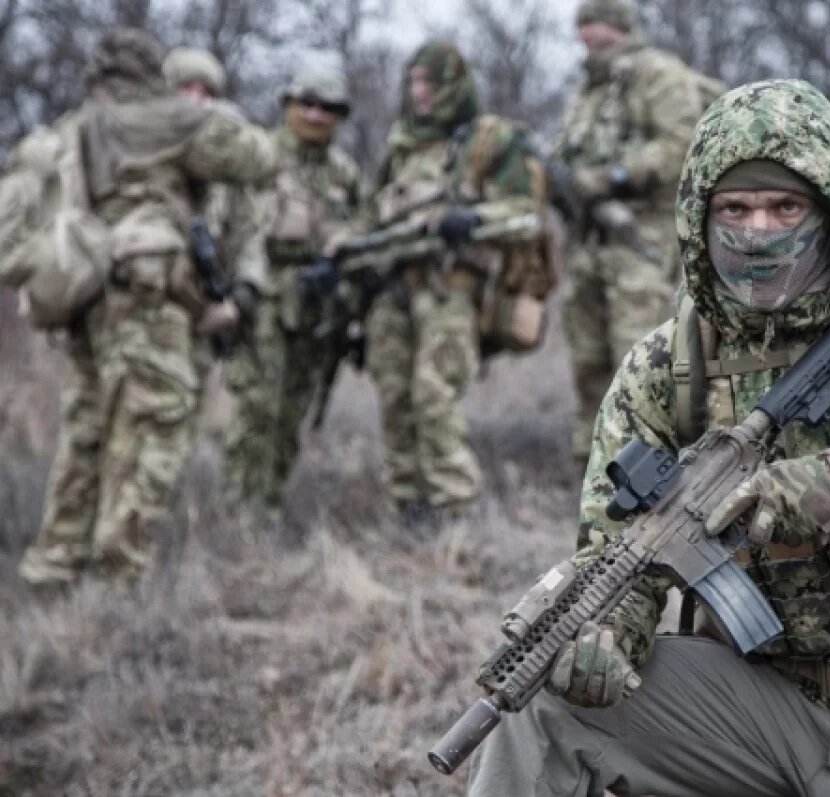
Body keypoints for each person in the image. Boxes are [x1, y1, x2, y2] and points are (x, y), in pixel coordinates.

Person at [467, 80, 830, 796]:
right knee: (545, 705)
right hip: (765, 717)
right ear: (699, 219)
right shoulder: (666, 368)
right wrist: (605, 636)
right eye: (735, 208)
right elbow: (619, 560)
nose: (759, 231)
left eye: (786, 206)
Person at [17, 28, 276, 586]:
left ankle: (55, 562)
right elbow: (258, 156)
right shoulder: (168, 119)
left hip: (89, 294)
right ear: (155, 76)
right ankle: (118, 571)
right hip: (146, 298)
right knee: (155, 423)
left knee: (87, 428)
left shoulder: (76, 125)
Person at [364, 41, 545, 514]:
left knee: (434, 394)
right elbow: (370, 215)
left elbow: (525, 213)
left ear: (452, 84)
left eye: (430, 81)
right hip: (394, 289)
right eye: (414, 81)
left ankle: (456, 508)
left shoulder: (486, 141)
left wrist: (471, 220)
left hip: (452, 289)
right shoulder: (402, 146)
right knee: (394, 395)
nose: (419, 92)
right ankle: (409, 505)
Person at [556, 0, 708, 467]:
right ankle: (592, 467)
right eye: (583, 24)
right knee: (588, 364)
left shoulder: (658, 74)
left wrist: (612, 177)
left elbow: (680, 143)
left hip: (641, 241)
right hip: (587, 244)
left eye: (597, 23)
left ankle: (651, 469)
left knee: (639, 362)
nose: (588, 34)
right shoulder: (587, 90)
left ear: (620, 27)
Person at [221, 64, 360, 515]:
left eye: (328, 108)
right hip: (265, 300)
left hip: (318, 307)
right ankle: (237, 512)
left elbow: (358, 228)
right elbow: (240, 228)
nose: (317, 116)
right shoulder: (260, 156)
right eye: (308, 104)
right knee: (257, 408)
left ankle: (269, 506)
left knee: (292, 413)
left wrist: (338, 260)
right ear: (289, 106)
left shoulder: (343, 172)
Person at [162, 47, 268, 418]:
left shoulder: (228, 169)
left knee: (183, 424)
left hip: (204, 314)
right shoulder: (149, 156)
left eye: (204, 91)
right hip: (152, 311)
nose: (195, 99)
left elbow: (248, 234)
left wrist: (240, 297)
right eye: (185, 87)